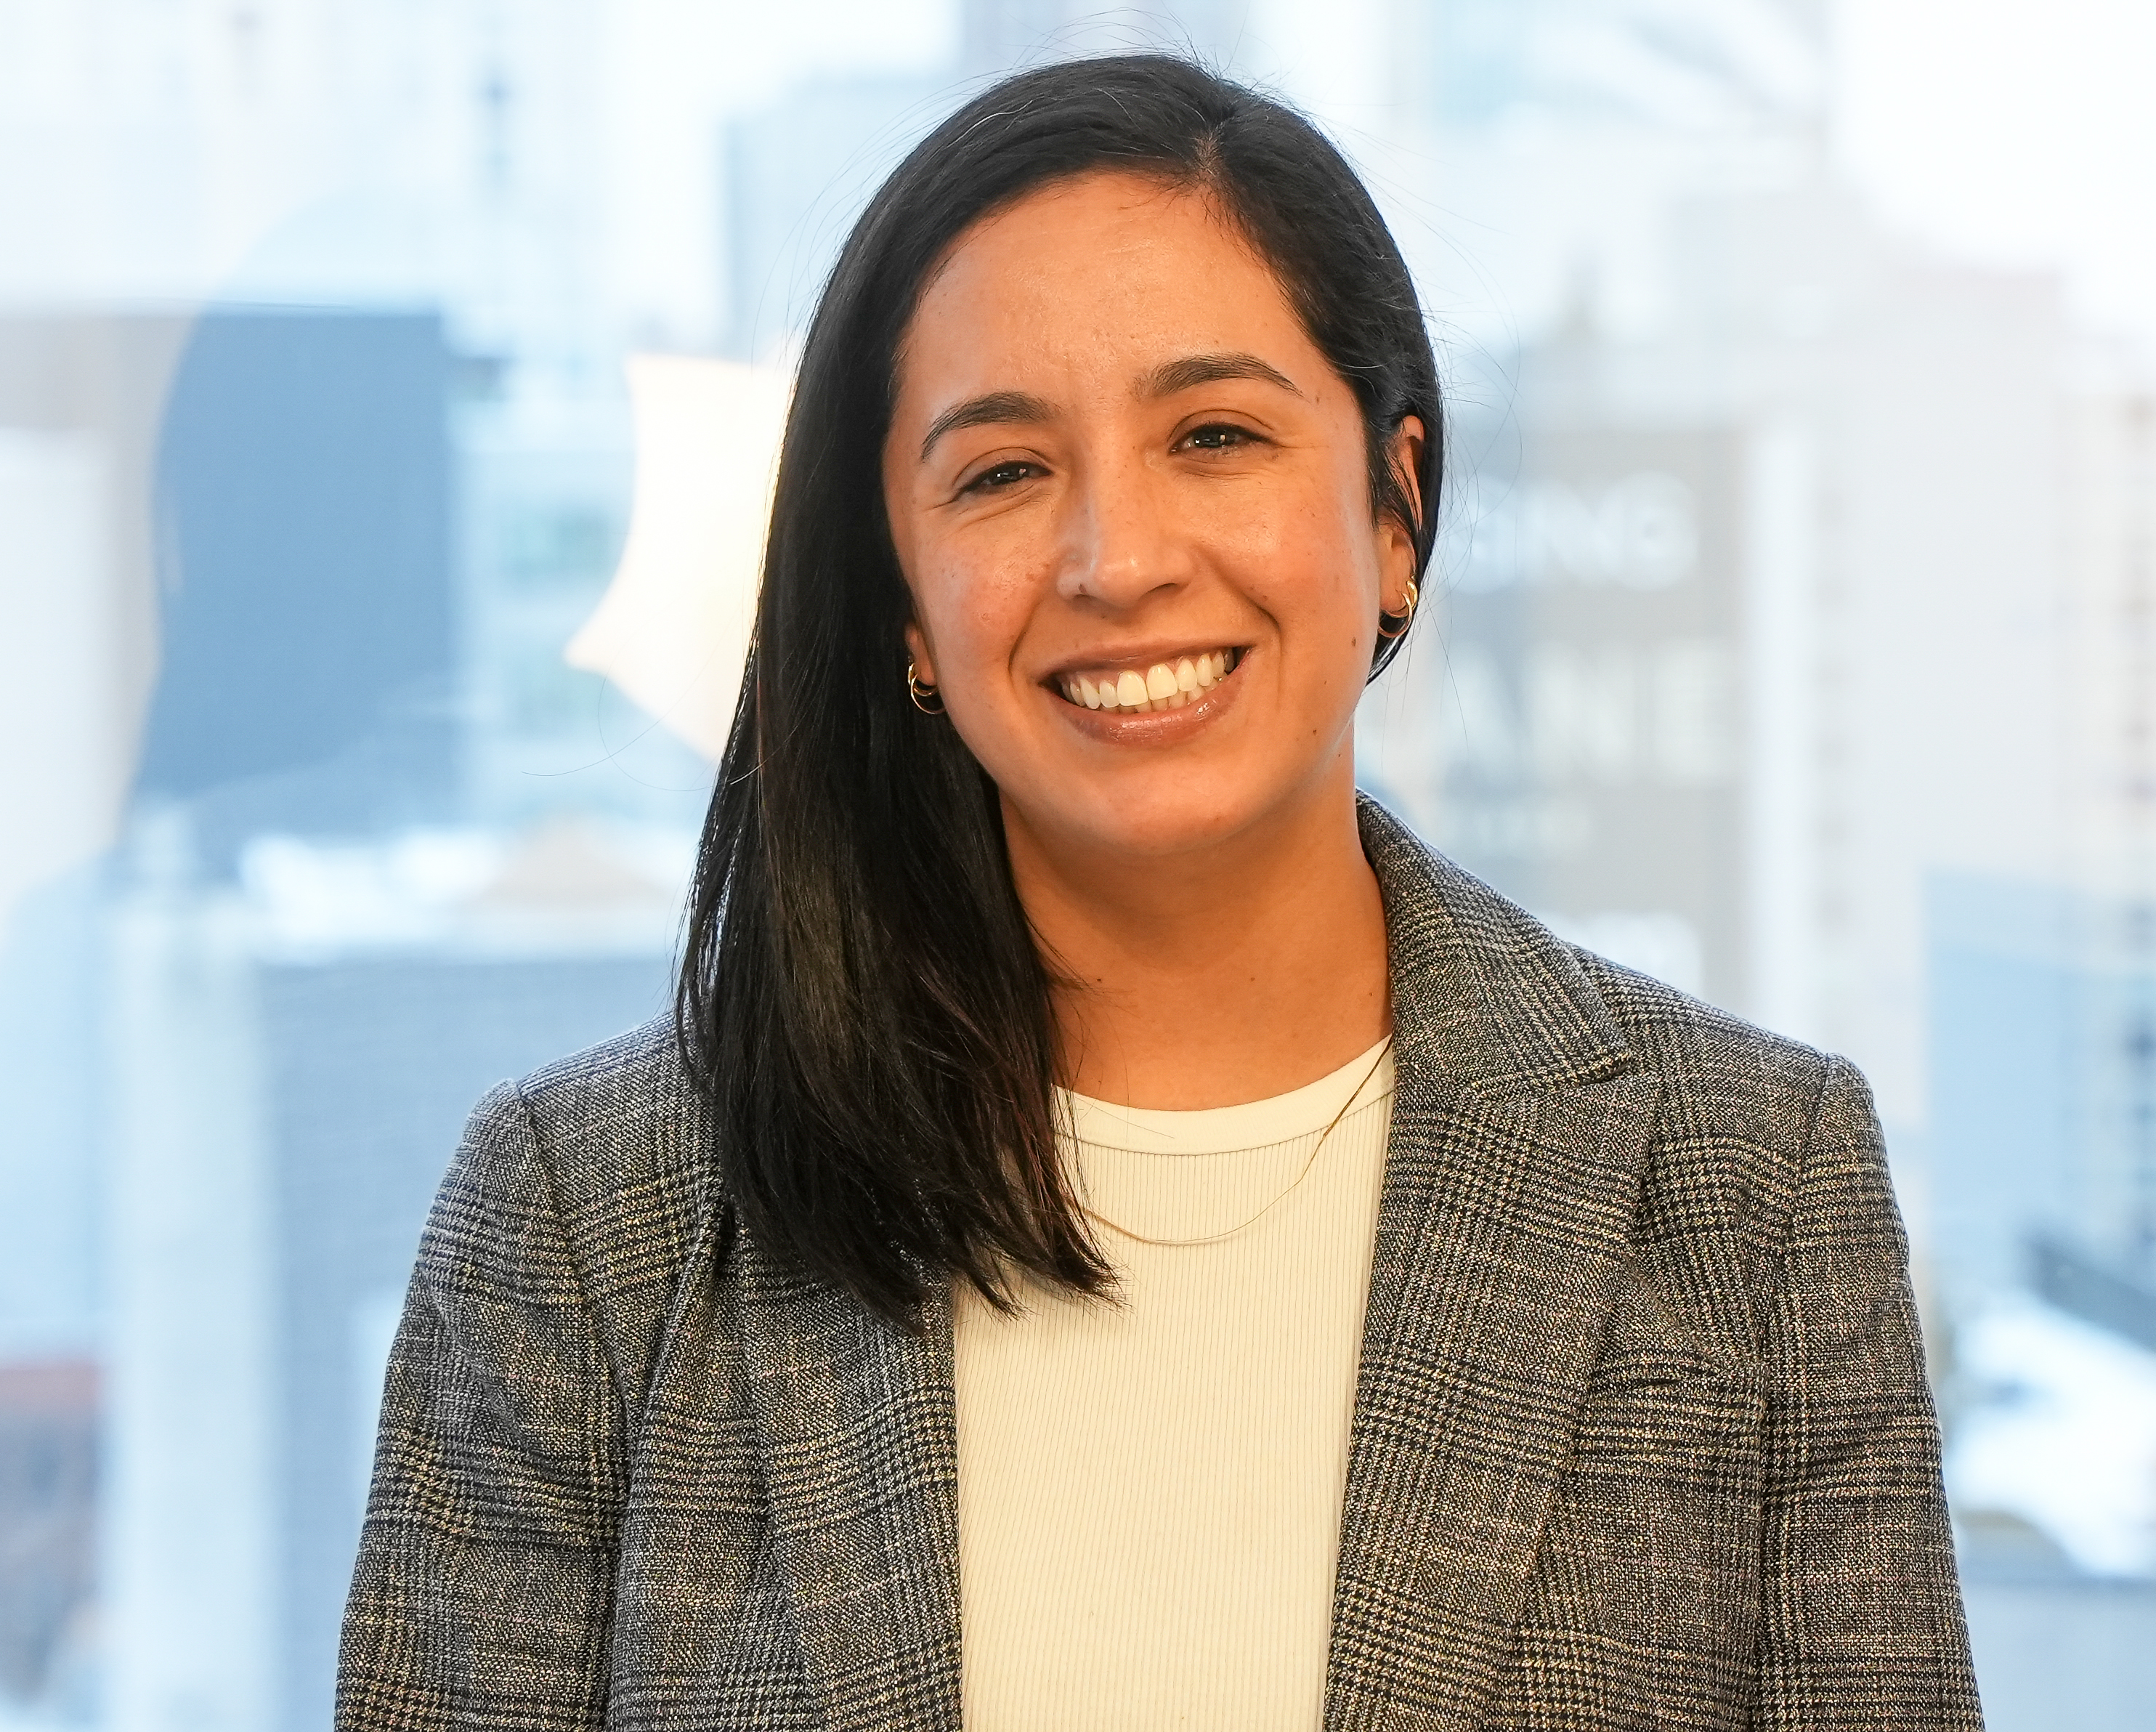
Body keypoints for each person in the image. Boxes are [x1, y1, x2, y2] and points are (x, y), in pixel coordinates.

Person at [337, 54, 1981, 1732]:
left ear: (1394, 508)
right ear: (904, 601)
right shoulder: (581, 1215)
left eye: (1213, 435)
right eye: (999, 472)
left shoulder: (1753, 1187)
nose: (1115, 558)